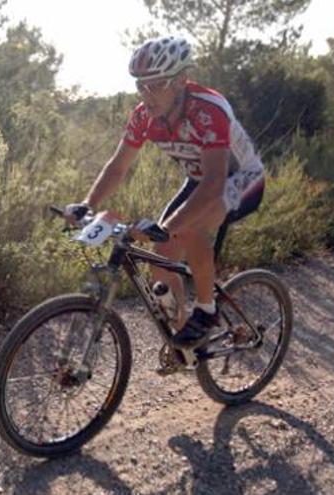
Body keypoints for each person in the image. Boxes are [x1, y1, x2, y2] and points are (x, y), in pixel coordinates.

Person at [64, 36, 265, 350]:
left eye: (156, 85)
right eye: (140, 86)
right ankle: (184, 337)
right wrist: (87, 204)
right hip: (200, 180)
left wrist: (167, 227)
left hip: (242, 179)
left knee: (187, 229)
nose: (147, 95)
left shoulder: (208, 109)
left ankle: (207, 310)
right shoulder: (144, 116)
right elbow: (117, 167)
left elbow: (214, 184)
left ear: (182, 80)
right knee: (160, 262)